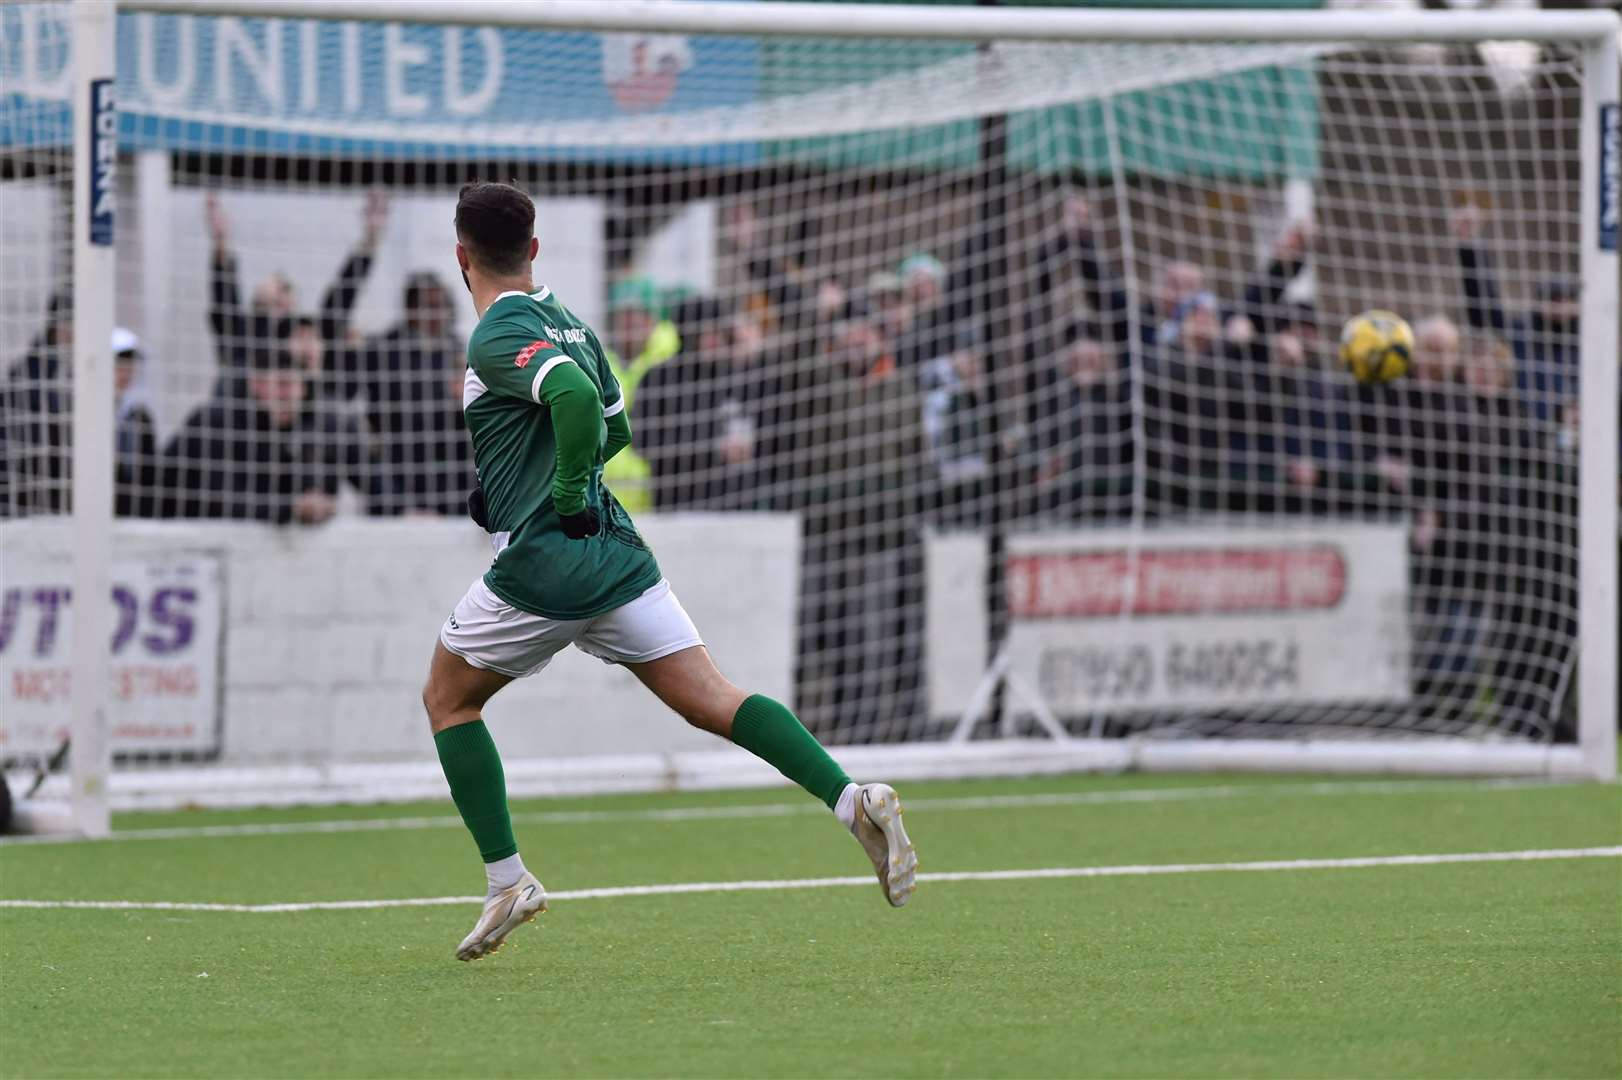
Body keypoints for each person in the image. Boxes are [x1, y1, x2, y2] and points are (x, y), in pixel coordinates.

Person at [425, 182, 918, 962]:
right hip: (617, 550)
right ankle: (849, 799)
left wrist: (552, 495)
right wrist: (522, 482)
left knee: (449, 700)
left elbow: (577, 398)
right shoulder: (571, 322)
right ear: (535, 249)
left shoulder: (498, 330)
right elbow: (612, 426)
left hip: (552, 555)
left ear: (460, 255)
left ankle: (507, 879)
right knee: (713, 698)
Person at [158, 345, 363, 524]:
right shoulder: (215, 423)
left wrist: (316, 504)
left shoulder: (315, 427)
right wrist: (293, 508)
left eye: (297, 385)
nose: (289, 395)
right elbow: (225, 502)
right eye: (282, 383)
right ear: (256, 384)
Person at [329, 271, 471, 516]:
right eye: (429, 305)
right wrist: (350, 351)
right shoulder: (385, 348)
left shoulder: (456, 350)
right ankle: (401, 509)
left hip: (445, 464)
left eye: (440, 305)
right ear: (412, 308)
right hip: (394, 461)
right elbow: (343, 390)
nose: (436, 313)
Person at [112, 327, 159, 518]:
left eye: (129, 365)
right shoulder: (81, 418)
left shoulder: (141, 418)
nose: (126, 372)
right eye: (119, 364)